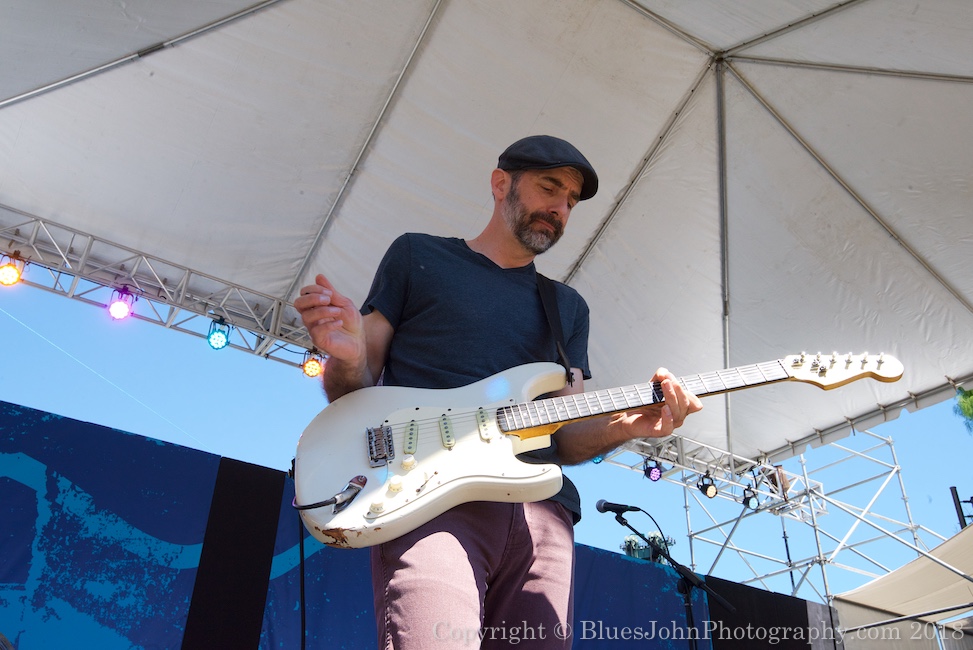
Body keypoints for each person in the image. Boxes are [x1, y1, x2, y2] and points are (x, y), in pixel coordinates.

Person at [294, 135, 703, 649]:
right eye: (549, 188)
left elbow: (567, 437)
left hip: (543, 514)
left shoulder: (567, 308)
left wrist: (632, 425)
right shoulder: (418, 256)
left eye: (570, 202)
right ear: (500, 184)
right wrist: (349, 355)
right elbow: (351, 387)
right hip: (431, 498)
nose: (559, 208)